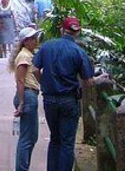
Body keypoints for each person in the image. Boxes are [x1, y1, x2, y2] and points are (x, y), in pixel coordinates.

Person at [32, 17, 94, 171]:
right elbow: (89, 81)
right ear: (77, 32)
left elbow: (34, 69)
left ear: (62, 29)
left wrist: (44, 84)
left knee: (55, 139)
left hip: (49, 99)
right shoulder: (79, 51)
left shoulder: (47, 46)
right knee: (67, 143)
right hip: (68, 100)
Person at [9, 27, 43, 171]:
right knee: (27, 138)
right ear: (25, 41)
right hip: (27, 96)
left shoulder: (28, 54)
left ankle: (23, 167)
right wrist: (22, 102)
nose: (36, 41)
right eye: (33, 38)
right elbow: (20, 80)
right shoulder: (24, 56)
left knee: (31, 137)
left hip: (29, 95)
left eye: (36, 38)